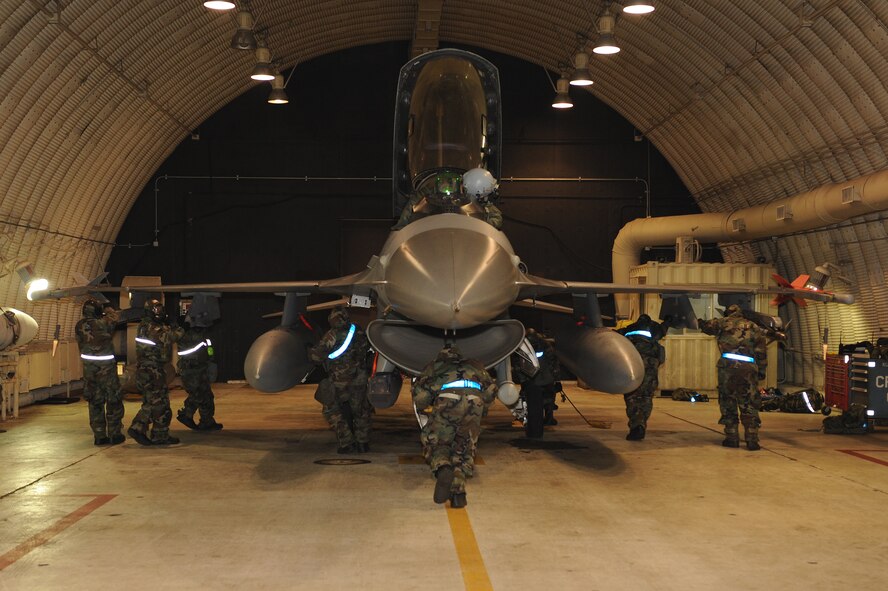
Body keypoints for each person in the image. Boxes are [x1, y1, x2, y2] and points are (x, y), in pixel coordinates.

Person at [412, 344, 496, 508]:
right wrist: (481, 410)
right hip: (475, 402)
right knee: (463, 448)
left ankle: (443, 467)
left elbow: (420, 397)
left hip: (449, 400)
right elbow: (491, 393)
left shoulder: (435, 366)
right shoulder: (475, 365)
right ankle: (458, 494)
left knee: (436, 441)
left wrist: (428, 404)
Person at [699, 304, 771, 451]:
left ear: (728, 313)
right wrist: (761, 370)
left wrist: (699, 321)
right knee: (749, 402)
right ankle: (752, 438)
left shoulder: (721, 323)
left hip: (727, 368)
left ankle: (731, 437)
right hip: (748, 369)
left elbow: (706, 327)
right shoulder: (754, 326)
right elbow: (761, 351)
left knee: (728, 400)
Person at [309, 307, 372, 453]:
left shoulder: (331, 335)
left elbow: (317, 357)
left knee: (332, 410)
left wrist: (311, 352)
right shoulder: (359, 332)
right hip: (360, 378)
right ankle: (363, 443)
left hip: (340, 380)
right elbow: (366, 349)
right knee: (361, 410)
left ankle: (347, 443)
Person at [127, 298, 184, 446]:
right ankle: (137, 426)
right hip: (151, 370)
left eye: (161, 309)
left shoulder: (146, 325)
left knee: (162, 403)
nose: (160, 312)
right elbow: (171, 337)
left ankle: (160, 435)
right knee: (155, 402)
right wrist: (179, 327)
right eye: (157, 309)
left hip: (152, 369)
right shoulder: (152, 327)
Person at [74, 299, 126, 446]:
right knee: (113, 400)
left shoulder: (79, 325)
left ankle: (99, 435)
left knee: (95, 401)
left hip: (89, 369)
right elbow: (115, 318)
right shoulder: (103, 323)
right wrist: (109, 310)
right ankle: (114, 434)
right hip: (106, 369)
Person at [617, 314, 668, 441]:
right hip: (650, 372)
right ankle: (641, 424)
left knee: (632, 398)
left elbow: (616, 337)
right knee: (646, 398)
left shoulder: (629, 330)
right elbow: (663, 329)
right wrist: (668, 321)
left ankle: (637, 426)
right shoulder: (654, 330)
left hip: (634, 371)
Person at [175, 301, 223, 432]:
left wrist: (211, 360)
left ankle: (207, 422)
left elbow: (209, 348)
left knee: (207, 395)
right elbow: (188, 350)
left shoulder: (203, 334)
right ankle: (186, 414)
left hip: (201, 368)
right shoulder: (188, 334)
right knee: (198, 394)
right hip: (191, 369)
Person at [524, 328, 561, 426]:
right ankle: (532, 418)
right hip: (533, 379)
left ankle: (549, 418)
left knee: (549, 399)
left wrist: (557, 380)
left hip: (545, 377)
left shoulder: (544, 346)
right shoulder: (524, 348)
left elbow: (554, 362)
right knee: (530, 399)